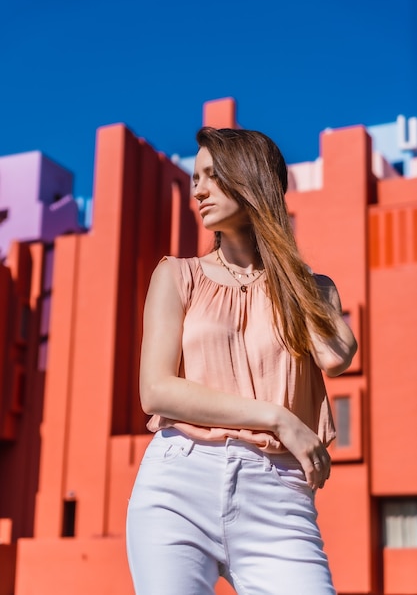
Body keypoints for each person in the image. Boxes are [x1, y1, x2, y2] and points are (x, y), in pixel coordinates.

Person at [126, 127, 357, 595]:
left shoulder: (313, 288)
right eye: (195, 178)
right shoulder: (177, 276)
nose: (198, 189)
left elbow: (335, 357)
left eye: (212, 175)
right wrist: (277, 418)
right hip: (178, 482)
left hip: (278, 495)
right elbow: (156, 390)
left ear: (250, 180)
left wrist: (286, 266)